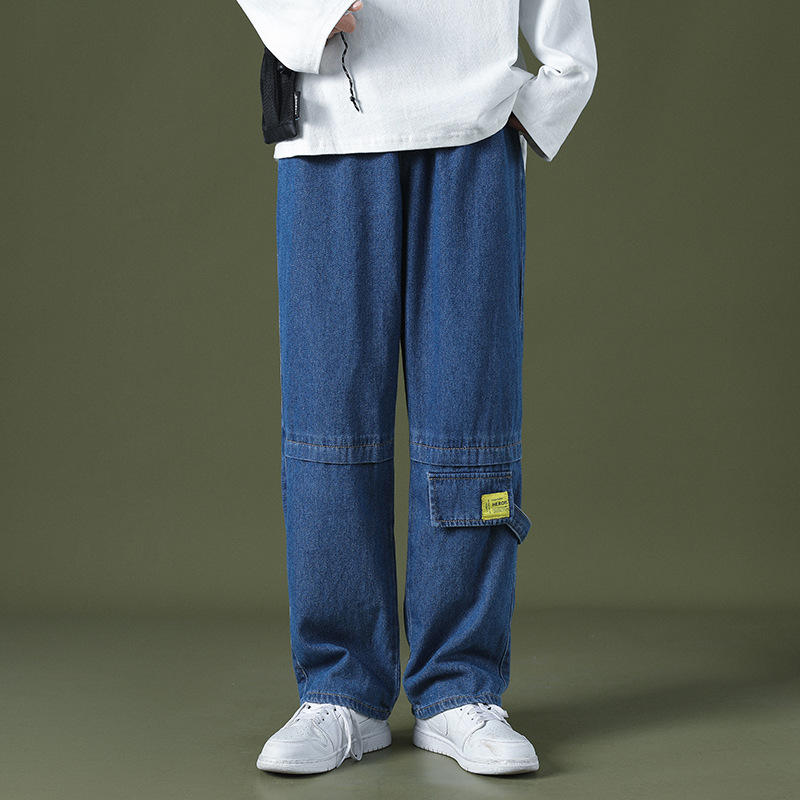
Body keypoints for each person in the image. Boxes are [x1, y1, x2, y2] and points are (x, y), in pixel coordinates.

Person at [234, 0, 597, 776]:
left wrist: (548, 94)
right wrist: (309, 14)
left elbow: (566, 37)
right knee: (330, 423)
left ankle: (459, 690)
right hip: (332, 127)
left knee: (471, 419)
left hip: (473, 130)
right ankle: (341, 692)